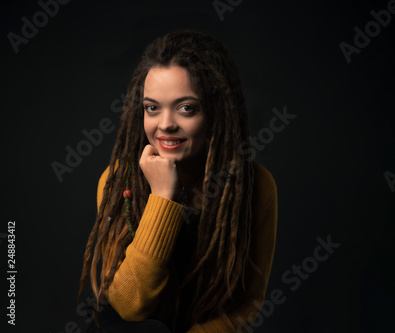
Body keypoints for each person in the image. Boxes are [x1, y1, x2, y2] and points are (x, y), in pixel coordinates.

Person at [78, 30, 278, 333]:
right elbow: (130, 305)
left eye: (186, 108)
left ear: (217, 112)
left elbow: (245, 305)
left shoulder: (255, 186)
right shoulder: (118, 181)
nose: (166, 124)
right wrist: (162, 197)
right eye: (152, 107)